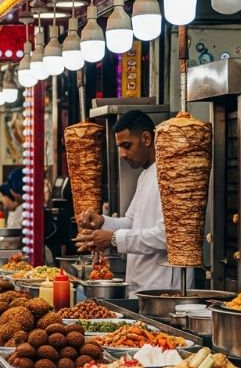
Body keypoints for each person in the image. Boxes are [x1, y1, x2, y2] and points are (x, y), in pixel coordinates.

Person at [74, 110, 191, 296]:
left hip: (164, 292)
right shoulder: (145, 176)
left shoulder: (171, 176)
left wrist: (112, 238)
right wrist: (102, 221)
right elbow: (131, 222)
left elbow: (167, 236)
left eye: (127, 145)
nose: (122, 154)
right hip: (139, 288)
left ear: (146, 139)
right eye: (120, 147)